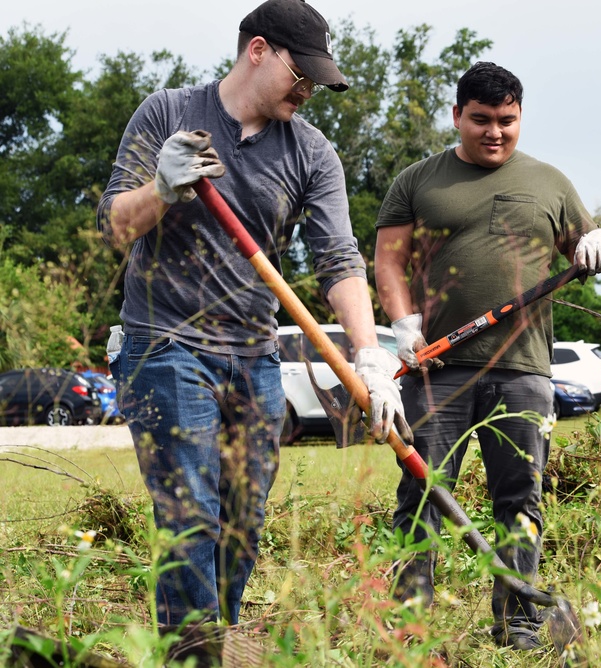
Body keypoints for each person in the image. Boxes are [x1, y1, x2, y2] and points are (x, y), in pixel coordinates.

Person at [97, 0, 410, 636]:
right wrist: (159, 189)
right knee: (191, 516)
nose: (311, 91)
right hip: (165, 344)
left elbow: (339, 259)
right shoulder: (167, 115)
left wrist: (368, 354)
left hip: (254, 354)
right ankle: (196, 650)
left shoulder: (313, 154)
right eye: (303, 75)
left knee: (242, 522)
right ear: (258, 50)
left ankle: (217, 638)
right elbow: (113, 228)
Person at [374, 61, 601, 650]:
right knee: (422, 493)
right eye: (480, 120)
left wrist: (593, 244)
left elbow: (579, 249)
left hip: (523, 372)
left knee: (521, 499)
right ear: (457, 115)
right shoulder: (418, 180)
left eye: (507, 121)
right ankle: (411, 623)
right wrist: (403, 323)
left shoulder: (550, 183)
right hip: (437, 370)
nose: (494, 132)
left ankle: (520, 622)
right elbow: (388, 260)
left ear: (519, 117)